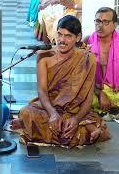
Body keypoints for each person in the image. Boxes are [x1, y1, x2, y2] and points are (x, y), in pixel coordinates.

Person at [10, 15, 111, 148]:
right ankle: (85, 127)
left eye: (68, 36)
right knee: (26, 112)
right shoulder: (44, 56)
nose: (62, 40)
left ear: (78, 37)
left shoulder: (88, 59)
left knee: (66, 125)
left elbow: (87, 98)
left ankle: (71, 125)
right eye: (59, 34)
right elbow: (42, 91)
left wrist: (76, 119)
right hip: (48, 106)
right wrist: (52, 113)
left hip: (75, 110)